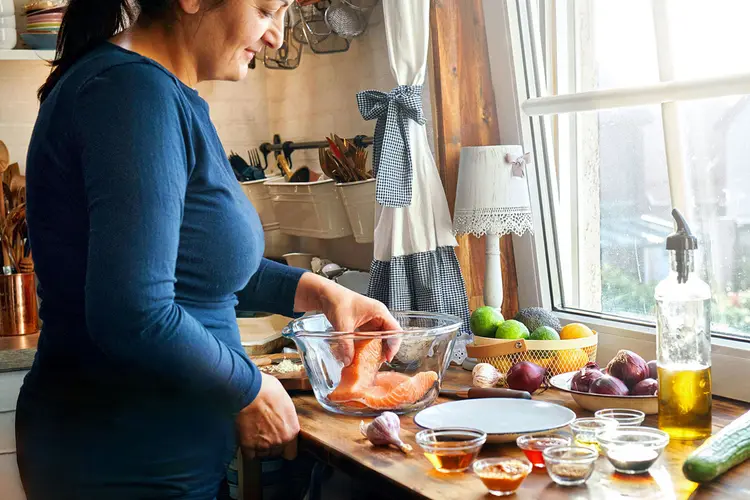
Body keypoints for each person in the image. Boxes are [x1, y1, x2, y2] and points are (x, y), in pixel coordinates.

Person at [16, 1, 399, 498]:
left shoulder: (156, 91)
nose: (276, 37)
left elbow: (194, 268)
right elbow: (131, 311)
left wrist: (324, 294)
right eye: (265, 10)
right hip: (125, 462)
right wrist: (247, 388)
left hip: (152, 456)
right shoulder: (133, 94)